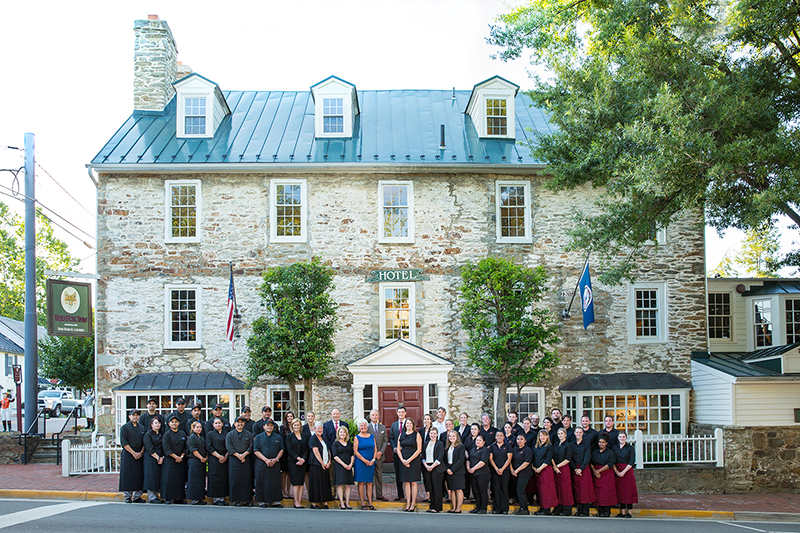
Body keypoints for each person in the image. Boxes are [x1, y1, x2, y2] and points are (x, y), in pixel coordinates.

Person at [253, 419, 284, 508]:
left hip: (275, 464)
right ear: (264, 427)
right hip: (261, 463)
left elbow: (281, 449)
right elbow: (256, 450)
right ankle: (262, 501)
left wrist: (276, 459)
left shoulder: (278, 437)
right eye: (268, 425)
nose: (269, 427)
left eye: (271, 425)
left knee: (275, 482)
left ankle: (276, 501)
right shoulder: (258, 437)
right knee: (261, 482)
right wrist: (266, 460)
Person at [119, 408, 146, 503]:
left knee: (139, 475)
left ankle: (137, 496)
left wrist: (141, 453)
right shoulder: (125, 428)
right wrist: (133, 453)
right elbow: (124, 442)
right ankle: (127, 496)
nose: (135, 417)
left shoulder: (142, 428)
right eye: (133, 415)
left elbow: (145, 442)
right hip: (128, 454)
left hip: (140, 455)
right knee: (127, 475)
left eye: (137, 415)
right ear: (129, 416)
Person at [225, 415, 254, 507]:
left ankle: (246, 500)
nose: (240, 424)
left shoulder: (249, 434)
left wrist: (244, 455)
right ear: (235, 424)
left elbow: (251, 446)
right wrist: (238, 455)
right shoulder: (230, 435)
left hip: (246, 459)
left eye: (242, 422)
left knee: (246, 480)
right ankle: (236, 500)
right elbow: (229, 447)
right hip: (234, 460)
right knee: (235, 480)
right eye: (238, 422)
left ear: (244, 423)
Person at [397, 418, 422, 512]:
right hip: (403, 460)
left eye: (410, 423)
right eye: (407, 423)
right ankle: (407, 503)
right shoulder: (401, 435)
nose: (409, 425)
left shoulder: (417, 435)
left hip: (414, 460)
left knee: (413, 482)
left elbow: (419, 449)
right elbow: (398, 449)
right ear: (405, 425)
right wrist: (403, 460)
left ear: (413, 425)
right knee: (406, 482)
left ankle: (413, 503)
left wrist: (409, 460)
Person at [161, 414, 188, 504]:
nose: (174, 423)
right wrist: (175, 457)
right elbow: (166, 448)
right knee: (168, 480)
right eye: (172, 422)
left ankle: (178, 498)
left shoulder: (183, 434)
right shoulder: (166, 435)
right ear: (169, 424)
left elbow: (186, 447)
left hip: (181, 461)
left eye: (176, 422)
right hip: (170, 460)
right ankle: (168, 498)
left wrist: (181, 456)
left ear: (179, 423)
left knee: (179, 480)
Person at [569, 426, 595, 517]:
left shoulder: (586, 444)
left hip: (584, 469)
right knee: (577, 490)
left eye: (580, 432)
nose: (578, 434)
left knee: (585, 490)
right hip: (575, 468)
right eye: (577, 432)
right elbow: (570, 457)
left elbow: (587, 457)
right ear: (574, 433)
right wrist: (575, 468)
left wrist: (581, 468)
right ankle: (579, 509)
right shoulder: (571, 444)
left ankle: (585, 510)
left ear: (583, 433)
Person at [590, 435, 618, 517]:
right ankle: (600, 510)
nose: (601, 444)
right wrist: (594, 471)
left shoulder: (610, 452)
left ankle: (606, 511)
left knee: (606, 492)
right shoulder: (595, 452)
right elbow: (591, 462)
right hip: (597, 473)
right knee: (599, 493)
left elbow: (610, 464)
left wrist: (599, 471)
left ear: (606, 443)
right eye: (599, 442)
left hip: (606, 473)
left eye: (603, 442)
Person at [353, 418, 377, 510]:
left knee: (370, 482)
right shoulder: (357, 437)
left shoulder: (371, 436)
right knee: (361, 482)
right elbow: (355, 451)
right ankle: (362, 502)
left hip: (371, 462)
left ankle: (370, 502)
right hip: (360, 462)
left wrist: (373, 459)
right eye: (361, 426)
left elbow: (375, 449)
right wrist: (364, 460)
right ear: (359, 427)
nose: (363, 427)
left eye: (364, 425)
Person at [532, 429, 557, 515]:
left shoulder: (549, 446)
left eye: (544, 435)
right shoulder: (536, 446)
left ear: (547, 436)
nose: (542, 437)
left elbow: (548, 459)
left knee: (546, 490)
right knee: (540, 489)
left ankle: (547, 509)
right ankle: (542, 507)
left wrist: (540, 468)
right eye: (541, 435)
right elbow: (534, 458)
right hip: (537, 470)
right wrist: (534, 467)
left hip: (545, 470)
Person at [308, 421, 333, 509]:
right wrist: (322, 463)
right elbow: (315, 451)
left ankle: (325, 502)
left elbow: (329, 450)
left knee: (325, 483)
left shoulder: (325, 438)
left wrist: (329, 461)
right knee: (316, 483)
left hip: (326, 464)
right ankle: (314, 503)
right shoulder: (313, 438)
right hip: (316, 464)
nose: (320, 430)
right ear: (314, 429)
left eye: (321, 428)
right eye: (318, 428)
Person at [613, 431, 638, 518]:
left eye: (623, 437)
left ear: (626, 438)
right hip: (617, 469)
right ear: (618, 438)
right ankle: (622, 511)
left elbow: (632, 461)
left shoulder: (630, 448)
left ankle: (629, 512)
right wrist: (616, 471)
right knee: (620, 491)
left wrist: (623, 472)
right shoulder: (615, 448)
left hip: (627, 470)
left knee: (628, 491)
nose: (622, 438)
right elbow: (613, 460)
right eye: (620, 437)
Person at [206, 417, 229, 506]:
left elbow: (229, 445)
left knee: (223, 478)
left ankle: (222, 498)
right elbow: (209, 446)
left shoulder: (226, 434)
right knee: (215, 478)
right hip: (214, 459)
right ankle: (216, 499)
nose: (218, 425)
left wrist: (225, 456)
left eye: (219, 423)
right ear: (213, 425)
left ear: (222, 424)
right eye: (216, 423)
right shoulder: (210, 434)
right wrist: (219, 456)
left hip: (225, 458)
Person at [286, 418, 309, 508]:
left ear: (300, 426)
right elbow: (289, 449)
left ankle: (299, 501)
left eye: (298, 425)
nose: (296, 427)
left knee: (301, 482)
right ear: (292, 426)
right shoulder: (289, 436)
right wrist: (297, 458)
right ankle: (296, 502)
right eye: (294, 425)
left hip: (303, 462)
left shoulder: (305, 436)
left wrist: (303, 458)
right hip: (293, 462)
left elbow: (307, 448)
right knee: (296, 483)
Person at [366, 409, 388, 502]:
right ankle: (369, 495)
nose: (374, 416)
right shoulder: (366, 427)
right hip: (370, 456)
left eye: (376, 415)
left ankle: (379, 494)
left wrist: (380, 452)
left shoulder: (383, 428)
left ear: (378, 416)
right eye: (373, 415)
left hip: (380, 456)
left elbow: (385, 441)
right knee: (369, 476)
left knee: (379, 475)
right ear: (370, 417)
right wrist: (374, 454)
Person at [552, 427, 575, 516]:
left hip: (564, 468)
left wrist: (557, 466)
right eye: (559, 434)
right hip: (556, 468)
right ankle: (558, 507)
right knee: (557, 489)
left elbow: (568, 458)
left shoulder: (568, 445)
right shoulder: (556, 445)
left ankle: (567, 509)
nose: (560, 435)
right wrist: (554, 466)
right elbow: (552, 457)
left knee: (565, 489)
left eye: (562, 433)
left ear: (565, 435)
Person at [421, 427, 444, 513]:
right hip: (427, 466)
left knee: (437, 487)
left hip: (436, 467)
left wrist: (432, 466)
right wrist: (426, 465)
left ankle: (437, 507)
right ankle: (432, 505)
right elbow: (422, 455)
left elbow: (440, 457)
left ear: (437, 434)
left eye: (434, 433)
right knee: (430, 487)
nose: (433, 435)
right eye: (431, 433)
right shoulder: (426, 443)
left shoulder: (440, 444)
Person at [489, 430, 512, 515]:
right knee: (496, 489)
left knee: (504, 489)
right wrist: (496, 468)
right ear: (495, 437)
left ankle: (505, 508)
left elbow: (509, 458)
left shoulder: (508, 446)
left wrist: (502, 469)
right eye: (497, 436)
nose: (499, 437)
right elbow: (491, 458)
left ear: (504, 437)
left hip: (505, 471)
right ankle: (496, 508)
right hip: (495, 471)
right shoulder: (492, 446)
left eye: (501, 435)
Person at [332, 425, 355, 509]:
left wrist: (350, 464)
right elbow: (335, 456)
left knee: (348, 485)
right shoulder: (336, 443)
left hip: (348, 466)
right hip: (340, 466)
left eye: (344, 432)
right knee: (340, 484)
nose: (342, 434)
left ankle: (347, 502)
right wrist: (344, 464)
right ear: (338, 433)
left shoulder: (349, 443)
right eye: (341, 432)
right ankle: (341, 502)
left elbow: (352, 454)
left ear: (346, 433)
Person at [466, 434, 490, 514]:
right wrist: (468, 467)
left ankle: (483, 508)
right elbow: (468, 459)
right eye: (477, 440)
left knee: (482, 491)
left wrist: (473, 468)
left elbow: (483, 462)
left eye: (480, 440)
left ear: (484, 442)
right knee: (475, 491)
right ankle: (478, 506)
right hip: (473, 474)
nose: (478, 442)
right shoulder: (473, 449)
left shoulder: (485, 450)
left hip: (482, 474)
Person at [143, 417, 165, 504]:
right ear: (151, 425)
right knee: (151, 476)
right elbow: (149, 448)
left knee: (158, 476)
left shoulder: (161, 434)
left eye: (159, 423)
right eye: (155, 423)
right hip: (151, 458)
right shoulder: (148, 435)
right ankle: (152, 497)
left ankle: (156, 495)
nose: (157, 425)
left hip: (160, 457)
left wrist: (162, 457)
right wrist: (157, 457)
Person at [510, 433, 533, 515]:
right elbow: (510, 460)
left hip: (524, 473)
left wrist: (516, 471)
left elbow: (526, 462)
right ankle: (523, 508)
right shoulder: (514, 449)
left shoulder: (528, 450)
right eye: (518, 439)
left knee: (520, 491)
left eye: (521, 439)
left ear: (525, 441)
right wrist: (512, 470)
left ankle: (524, 509)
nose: (519, 441)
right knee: (519, 491)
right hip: (515, 473)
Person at [186, 420, 208, 505]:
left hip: (202, 461)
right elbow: (193, 450)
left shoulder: (201, 437)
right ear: (193, 428)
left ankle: (200, 498)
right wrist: (201, 458)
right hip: (194, 460)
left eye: (200, 427)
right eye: (197, 427)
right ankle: (194, 498)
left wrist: (205, 457)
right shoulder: (191, 438)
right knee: (194, 480)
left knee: (200, 480)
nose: (199, 429)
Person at [388, 405, 407, 501]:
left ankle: (409, 494)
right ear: (397, 413)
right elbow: (391, 438)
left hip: (406, 454)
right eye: (399, 412)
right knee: (398, 474)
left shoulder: (409, 424)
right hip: (396, 454)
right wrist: (394, 447)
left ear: (405, 413)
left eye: (403, 412)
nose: (401, 414)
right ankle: (400, 494)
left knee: (407, 474)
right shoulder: (394, 425)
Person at [445, 430, 466, 513]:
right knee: (452, 490)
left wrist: (452, 469)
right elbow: (445, 459)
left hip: (458, 470)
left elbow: (461, 460)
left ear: (457, 437)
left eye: (453, 436)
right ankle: (453, 507)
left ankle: (458, 508)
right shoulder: (447, 446)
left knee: (458, 490)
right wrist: (447, 469)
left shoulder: (461, 446)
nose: (452, 438)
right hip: (449, 469)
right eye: (450, 436)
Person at [463, 423, 480, 503]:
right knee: (467, 478)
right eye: (472, 429)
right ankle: (466, 495)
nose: (473, 431)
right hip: (468, 461)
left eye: (475, 429)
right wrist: (466, 454)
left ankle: (475, 496)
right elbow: (465, 448)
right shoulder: (468, 439)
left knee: (475, 481)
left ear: (478, 430)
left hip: (476, 462)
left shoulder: (480, 439)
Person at [279, 411, 295, 498]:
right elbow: (282, 440)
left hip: (292, 454)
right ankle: (284, 491)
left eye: (291, 416)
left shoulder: (295, 427)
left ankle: (289, 491)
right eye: (288, 416)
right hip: (285, 453)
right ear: (285, 418)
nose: (290, 418)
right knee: (284, 473)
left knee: (289, 473)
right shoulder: (282, 428)